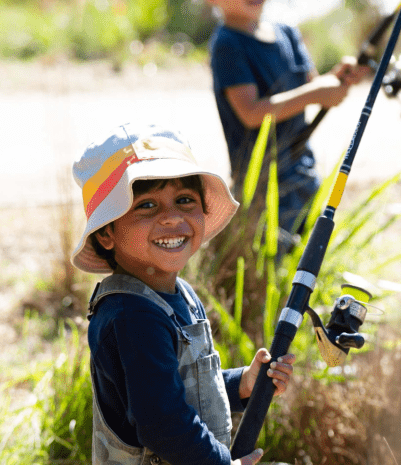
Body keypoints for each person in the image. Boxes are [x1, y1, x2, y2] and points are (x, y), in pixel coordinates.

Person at [72, 123, 297, 464]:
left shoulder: (178, 294)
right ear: (106, 234)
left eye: (184, 200)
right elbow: (163, 422)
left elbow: (180, 386)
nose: (171, 217)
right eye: (146, 206)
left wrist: (242, 384)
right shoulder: (133, 316)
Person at [207, 0, 368, 242]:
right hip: (262, 184)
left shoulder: (287, 33)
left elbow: (310, 86)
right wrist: (316, 93)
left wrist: (335, 79)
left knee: (310, 252)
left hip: (303, 169)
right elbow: (250, 113)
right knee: (272, 258)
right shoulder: (227, 43)